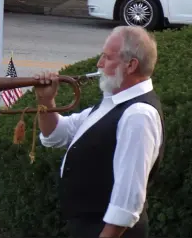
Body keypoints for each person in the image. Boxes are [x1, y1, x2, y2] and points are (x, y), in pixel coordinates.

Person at [34, 26, 165, 238]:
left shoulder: (138, 115)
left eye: (107, 57)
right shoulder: (112, 103)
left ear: (130, 65)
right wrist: (46, 101)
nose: (99, 64)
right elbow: (56, 135)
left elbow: (128, 197)